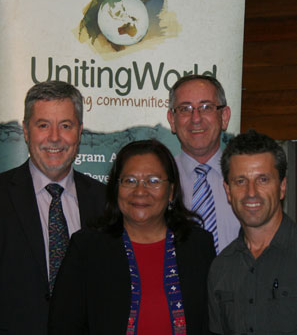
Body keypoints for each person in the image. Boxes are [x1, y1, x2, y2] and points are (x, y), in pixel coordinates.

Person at [48, 139, 215, 335]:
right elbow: (63, 326)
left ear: (171, 191)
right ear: (116, 188)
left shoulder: (198, 244)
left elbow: (212, 323)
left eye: (153, 181)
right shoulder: (86, 248)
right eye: (130, 181)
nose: (140, 191)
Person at [0, 81, 106, 335]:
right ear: (26, 131)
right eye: (43, 125)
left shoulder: (106, 201)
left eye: (66, 126)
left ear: (80, 132)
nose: (55, 137)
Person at [208, 129, 297, 334]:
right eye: (240, 181)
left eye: (263, 180)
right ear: (228, 191)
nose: (251, 193)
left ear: (282, 186)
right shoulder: (220, 268)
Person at [167, 74, 240, 253]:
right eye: (185, 109)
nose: (196, 118)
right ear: (172, 120)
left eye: (206, 107)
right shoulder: (160, 182)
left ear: (224, 116)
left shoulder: (245, 179)